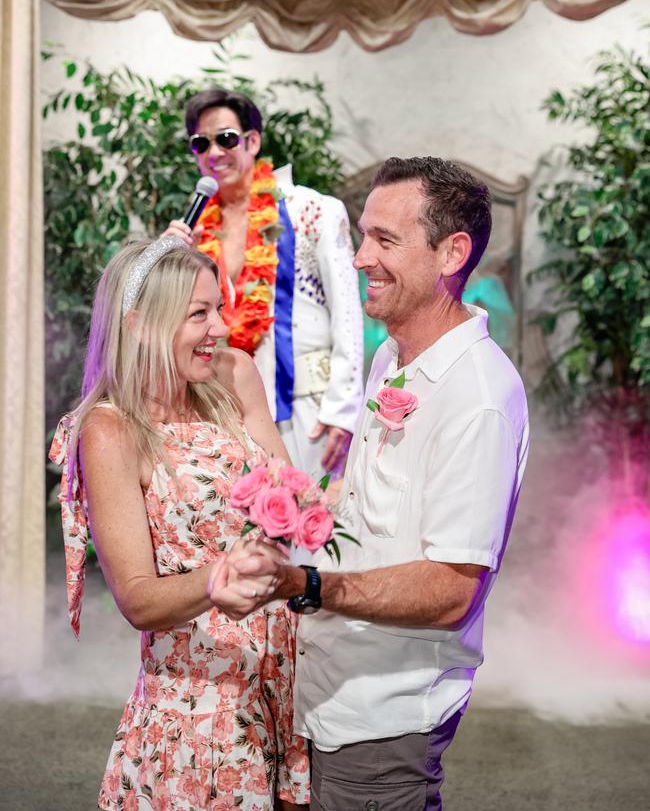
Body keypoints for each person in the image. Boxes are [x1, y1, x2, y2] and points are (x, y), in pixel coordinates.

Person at [212, 157, 530, 810]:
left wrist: (305, 586)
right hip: (330, 688)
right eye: (363, 236)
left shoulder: (478, 396)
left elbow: (450, 591)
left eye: (385, 240)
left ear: (452, 252)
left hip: (385, 717)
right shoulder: (393, 354)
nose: (358, 258)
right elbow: (368, 504)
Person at [49, 237, 310, 811]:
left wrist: (324, 505)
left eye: (218, 307)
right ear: (140, 325)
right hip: (203, 705)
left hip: (287, 671)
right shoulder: (111, 430)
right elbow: (139, 600)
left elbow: (290, 495)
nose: (220, 326)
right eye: (199, 313)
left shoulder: (234, 374)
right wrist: (221, 575)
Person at [163, 87, 364, 481]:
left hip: (309, 408)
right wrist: (168, 259)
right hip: (225, 407)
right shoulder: (196, 230)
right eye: (201, 144)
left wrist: (343, 411)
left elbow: (347, 312)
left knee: (309, 528)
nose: (214, 153)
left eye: (226, 139)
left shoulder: (313, 209)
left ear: (252, 141)